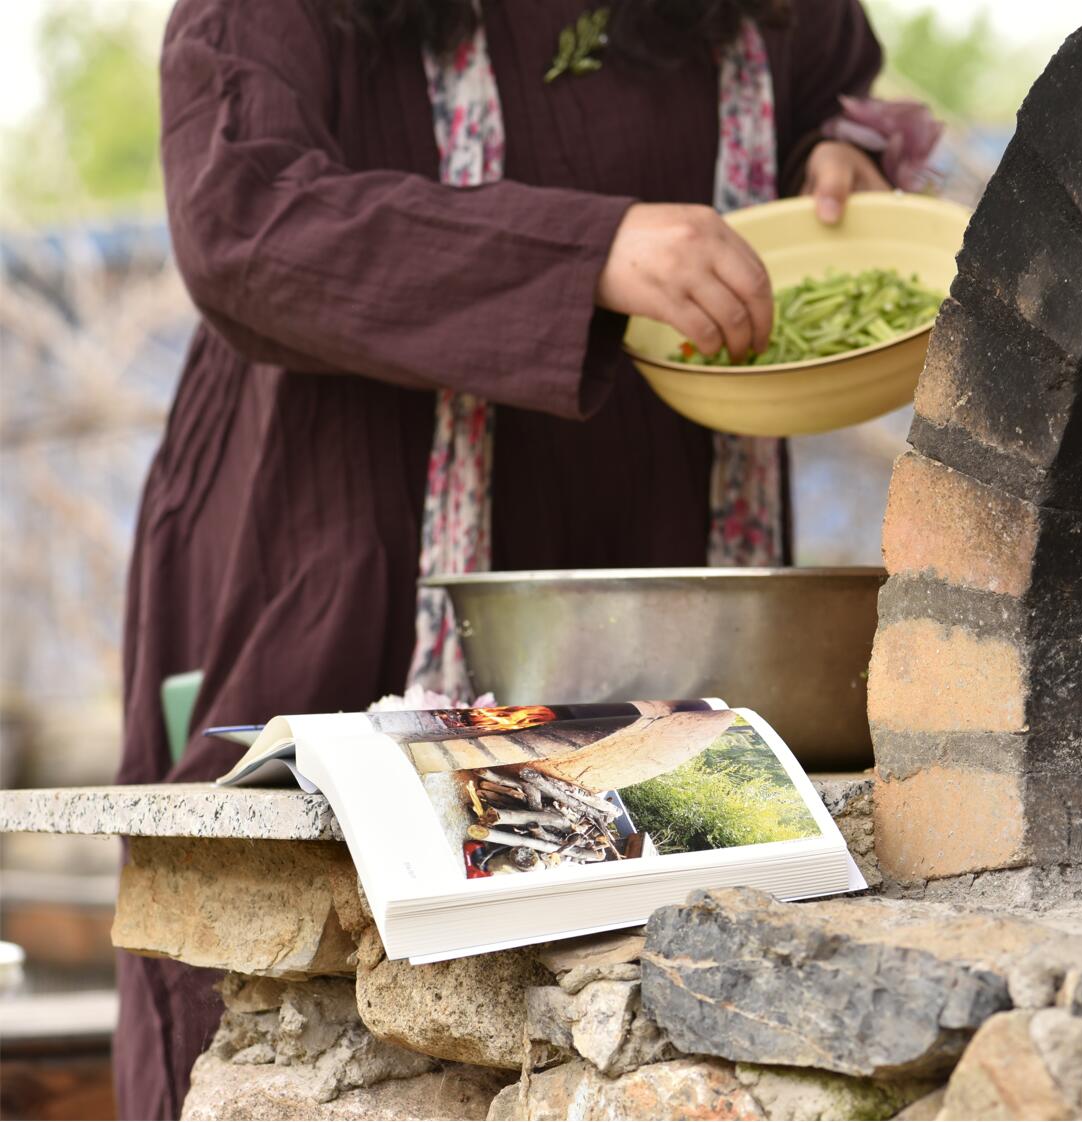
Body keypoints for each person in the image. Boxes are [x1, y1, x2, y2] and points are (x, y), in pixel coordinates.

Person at [116, 0, 933, 1115]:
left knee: (629, 1036)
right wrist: (583, 250)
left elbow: (824, 89)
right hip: (345, 568)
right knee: (297, 1030)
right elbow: (245, 221)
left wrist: (832, 165)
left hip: (654, 574)